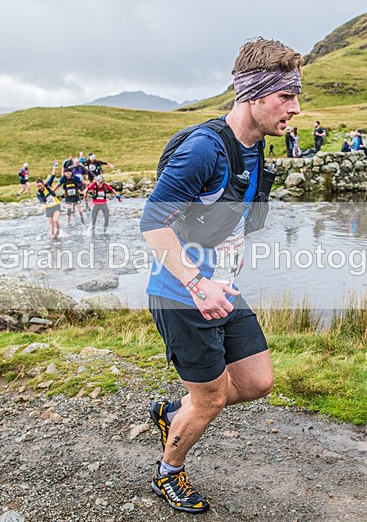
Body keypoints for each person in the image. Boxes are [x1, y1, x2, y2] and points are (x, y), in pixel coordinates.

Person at [140, 37, 303, 514]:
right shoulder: (203, 150)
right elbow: (152, 224)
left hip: (223, 289)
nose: (295, 108)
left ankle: (174, 414)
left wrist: (231, 259)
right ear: (253, 94)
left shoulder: (253, 149)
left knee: (256, 383)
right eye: (285, 96)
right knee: (210, 399)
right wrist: (197, 282)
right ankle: (168, 472)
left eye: (296, 96)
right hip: (182, 294)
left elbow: (229, 216)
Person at [36, 162, 61, 241]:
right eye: (37, 186)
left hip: (56, 205)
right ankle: (52, 237)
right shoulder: (38, 193)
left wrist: (55, 166)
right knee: (51, 225)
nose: (39, 187)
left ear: (43, 184)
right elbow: (41, 201)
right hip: (48, 208)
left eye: (40, 185)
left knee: (55, 220)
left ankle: (58, 230)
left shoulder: (48, 185)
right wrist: (43, 206)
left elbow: (52, 175)